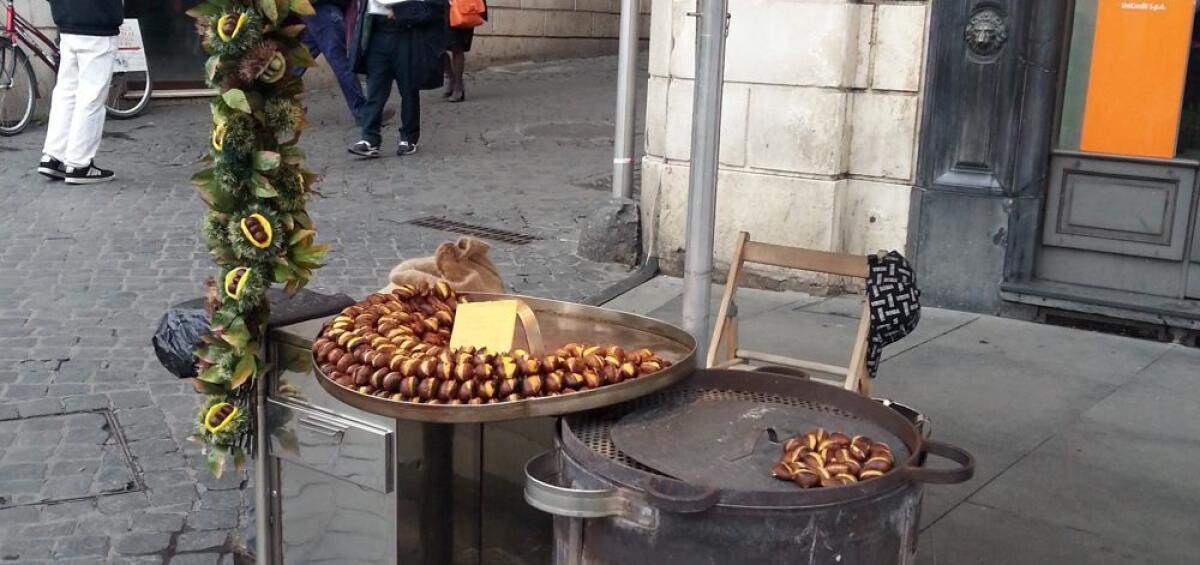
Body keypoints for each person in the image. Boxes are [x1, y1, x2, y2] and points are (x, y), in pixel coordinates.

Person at [37, 0, 124, 185]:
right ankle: (79, 164)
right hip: (97, 23)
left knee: (67, 92)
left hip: (67, 21)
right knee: (91, 96)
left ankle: (54, 156)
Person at [347, 0, 448, 158]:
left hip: (407, 37)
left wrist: (402, 12)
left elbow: (435, 8)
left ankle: (408, 138)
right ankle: (369, 139)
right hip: (378, 36)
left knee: (409, 91)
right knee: (375, 91)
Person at [299, 0, 366, 123]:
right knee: (343, 65)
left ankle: (271, 105)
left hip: (315, 13)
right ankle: (363, 113)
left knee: (297, 62)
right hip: (325, 14)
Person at [443, 0, 484, 103]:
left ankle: (458, 86)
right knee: (435, 47)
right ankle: (453, 78)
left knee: (457, 46)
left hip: (462, 7)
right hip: (440, 7)